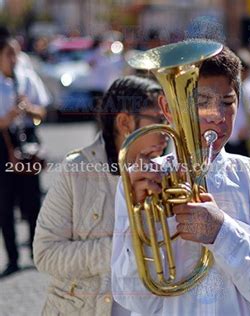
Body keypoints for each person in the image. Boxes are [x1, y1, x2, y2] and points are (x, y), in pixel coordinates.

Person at [111, 45, 250, 315]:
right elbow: (133, 300)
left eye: (227, 102)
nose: (217, 117)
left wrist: (221, 231)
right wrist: (139, 226)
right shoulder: (142, 182)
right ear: (167, 108)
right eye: (200, 102)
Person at [33, 76, 168, 315]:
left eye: (169, 120)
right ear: (125, 122)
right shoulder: (76, 171)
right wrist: (124, 247)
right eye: (158, 120)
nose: (167, 131)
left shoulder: (169, 172)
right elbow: (46, 254)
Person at [0, 29, 50, 278]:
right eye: (9, 54)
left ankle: (35, 251)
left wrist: (28, 109)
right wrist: (7, 117)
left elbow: (43, 111)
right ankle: (12, 257)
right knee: (5, 203)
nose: (14, 59)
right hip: (2, 144)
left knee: (32, 201)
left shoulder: (26, 77)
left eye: (16, 54)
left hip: (26, 142)